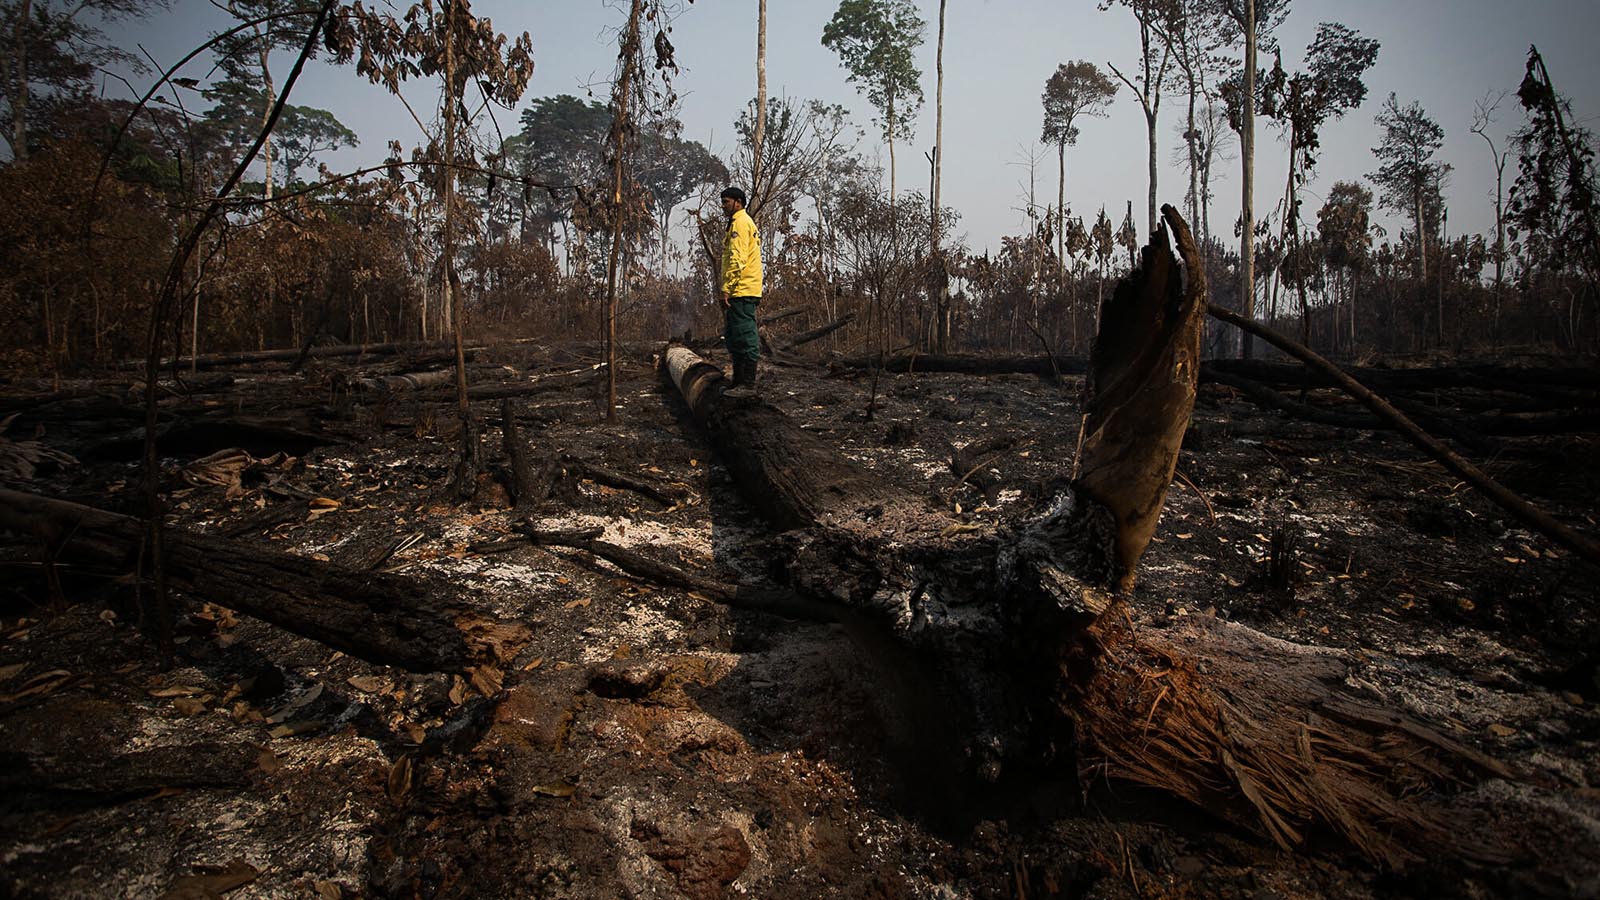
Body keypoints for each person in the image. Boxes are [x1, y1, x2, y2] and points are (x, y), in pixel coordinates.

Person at [718, 186, 763, 391]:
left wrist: (727, 287)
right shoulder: (738, 222)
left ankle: (747, 383)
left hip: (742, 289)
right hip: (739, 289)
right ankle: (738, 381)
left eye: (726, 202)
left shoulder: (741, 224)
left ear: (738, 202)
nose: (723, 206)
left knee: (745, 336)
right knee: (734, 335)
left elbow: (737, 259)